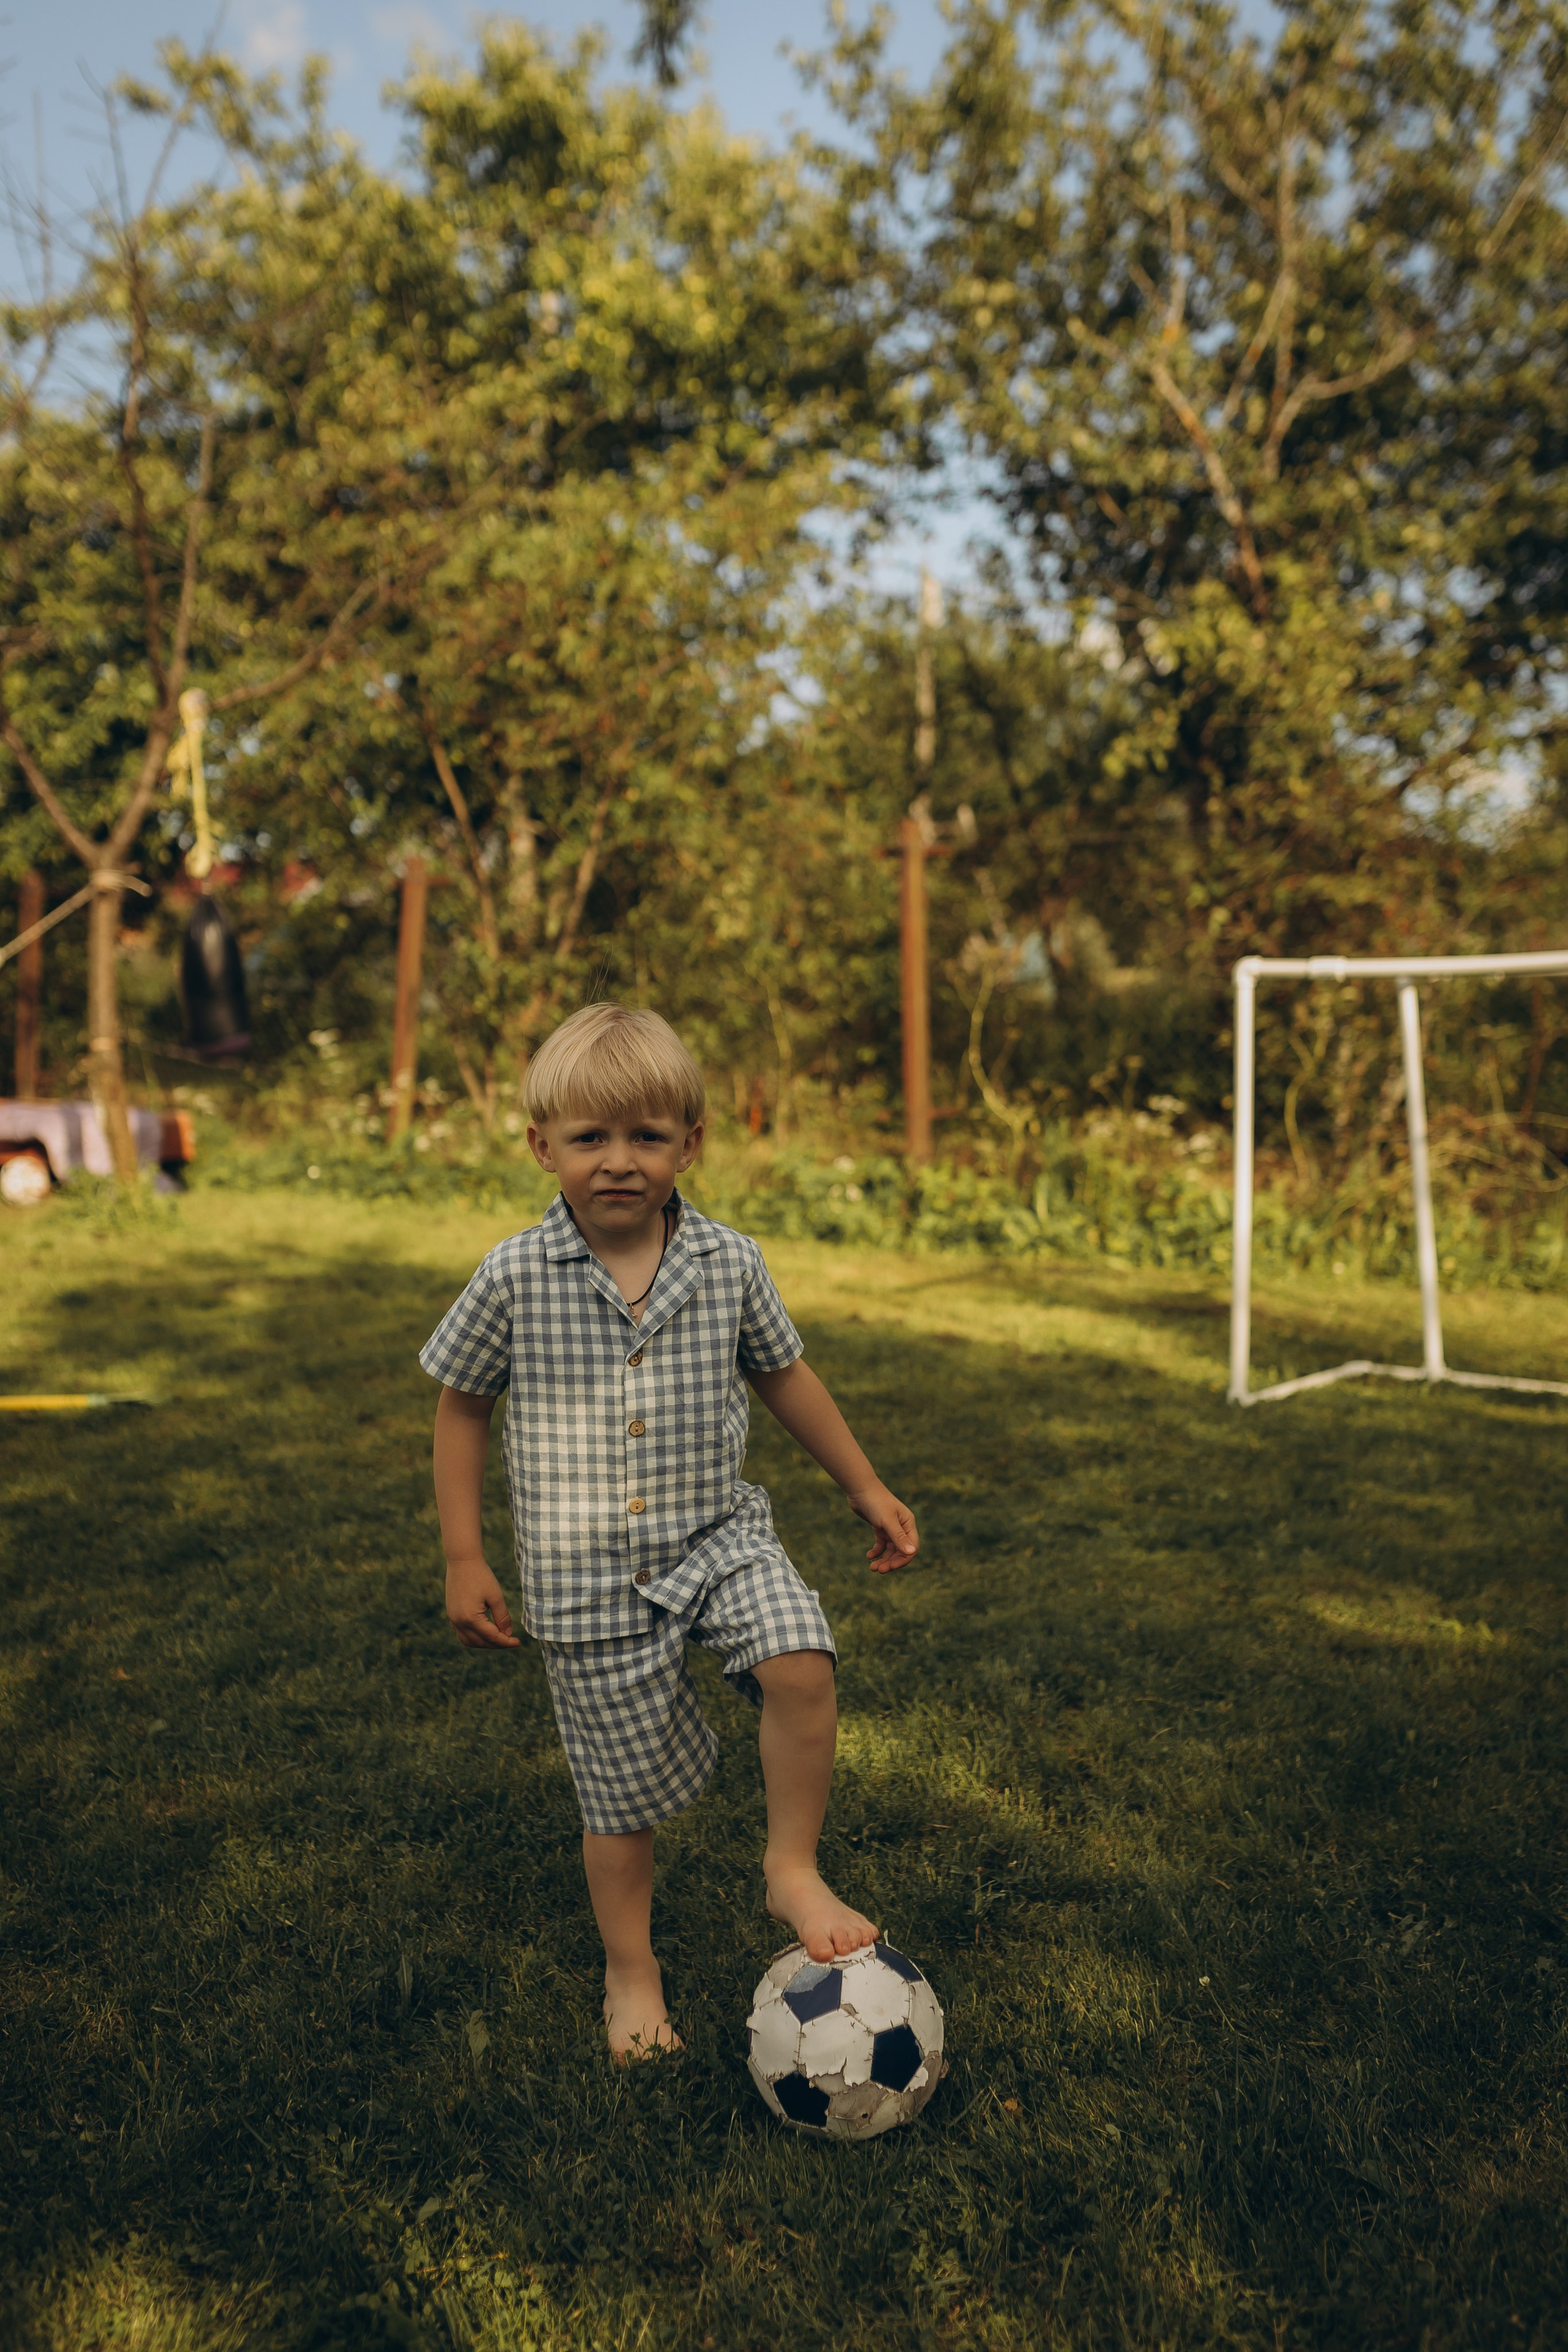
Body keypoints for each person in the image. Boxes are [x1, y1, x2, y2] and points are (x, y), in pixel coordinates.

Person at [420, 1003, 919, 2061]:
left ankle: (791, 1866)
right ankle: (631, 1968)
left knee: (800, 1656)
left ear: (690, 1145)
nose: (618, 1163)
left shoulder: (728, 1263)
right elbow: (462, 1404)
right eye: (589, 1139)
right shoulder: (513, 1275)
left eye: (647, 1137)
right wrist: (467, 1555)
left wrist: (864, 1486)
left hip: (716, 1540)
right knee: (622, 1802)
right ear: (541, 1145)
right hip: (584, 1578)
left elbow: (785, 1374)